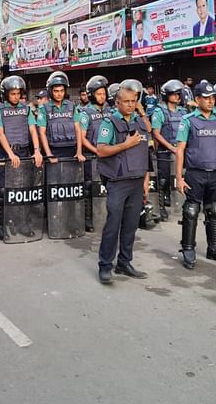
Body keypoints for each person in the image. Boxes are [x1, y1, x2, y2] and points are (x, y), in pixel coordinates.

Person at [95, 83, 150, 284]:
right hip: (118, 182)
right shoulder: (109, 123)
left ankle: (124, 263)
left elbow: (145, 152)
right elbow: (100, 150)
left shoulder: (140, 122)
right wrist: (125, 145)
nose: (130, 105)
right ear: (117, 102)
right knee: (113, 225)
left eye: (133, 101)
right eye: (126, 101)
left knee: (130, 226)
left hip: (137, 180)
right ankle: (105, 266)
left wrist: (146, 179)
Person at [175, 82, 216, 270]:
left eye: (212, 98)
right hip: (195, 172)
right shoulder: (188, 120)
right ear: (197, 99)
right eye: (206, 98)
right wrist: (179, 177)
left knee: (214, 209)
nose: (210, 101)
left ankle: (214, 248)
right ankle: (188, 248)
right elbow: (180, 150)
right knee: (191, 210)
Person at [0, 75, 43, 240]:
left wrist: (37, 150)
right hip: (5, 154)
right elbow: (0, 132)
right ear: (6, 94)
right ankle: (0, 224)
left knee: (24, 190)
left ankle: (22, 223)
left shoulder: (25, 109)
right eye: (12, 93)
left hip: (24, 153)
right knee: (3, 190)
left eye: (18, 93)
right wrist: (10, 153)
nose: (15, 96)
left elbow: (33, 130)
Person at [151, 79, 187, 221]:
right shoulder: (159, 112)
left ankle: (181, 204)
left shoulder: (183, 112)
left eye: (179, 94)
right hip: (165, 152)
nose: (177, 97)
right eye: (174, 94)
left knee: (181, 178)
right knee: (163, 181)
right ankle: (161, 208)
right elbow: (156, 133)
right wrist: (171, 147)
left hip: (180, 151)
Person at [79, 75, 109, 233]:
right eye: (99, 94)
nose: (102, 97)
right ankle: (88, 217)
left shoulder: (110, 110)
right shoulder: (85, 113)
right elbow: (82, 138)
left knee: (108, 186)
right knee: (89, 187)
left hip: (109, 156)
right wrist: (96, 150)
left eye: (104, 93)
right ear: (91, 95)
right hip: (93, 157)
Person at [37, 72, 85, 163]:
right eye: (56, 91)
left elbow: (78, 130)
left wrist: (79, 152)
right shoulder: (44, 109)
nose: (59, 94)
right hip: (53, 151)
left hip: (72, 151)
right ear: (51, 91)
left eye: (62, 91)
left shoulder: (72, 107)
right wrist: (49, 154)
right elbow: (42, 133)